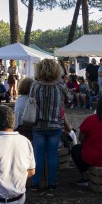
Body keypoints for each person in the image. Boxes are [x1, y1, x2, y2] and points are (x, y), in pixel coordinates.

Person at [30, 58, 73, 191]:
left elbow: (30, 102)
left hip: (38, 126)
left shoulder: (35, 86)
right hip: (55, 125)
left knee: (39, 155)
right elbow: (70, 99)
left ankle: (36, 183)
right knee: (52, 154)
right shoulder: (60, 87)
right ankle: (52, 183)